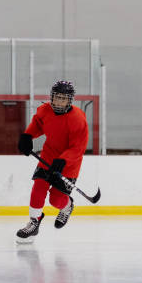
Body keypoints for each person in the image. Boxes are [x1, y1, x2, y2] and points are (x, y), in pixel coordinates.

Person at [16, 80, 88, 243]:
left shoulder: (77, 119)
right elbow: (38, 125)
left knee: (55, 200)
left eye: (63, 98)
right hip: (48, 156)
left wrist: (63, 160)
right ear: (51, 97)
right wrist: (27, 136)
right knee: (38, 186)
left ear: (70, 100)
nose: (59, 102)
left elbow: (78, 147)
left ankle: (67, 205)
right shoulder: (44, 110)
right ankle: (34, 222)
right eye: (56, 97)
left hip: (69, 164)